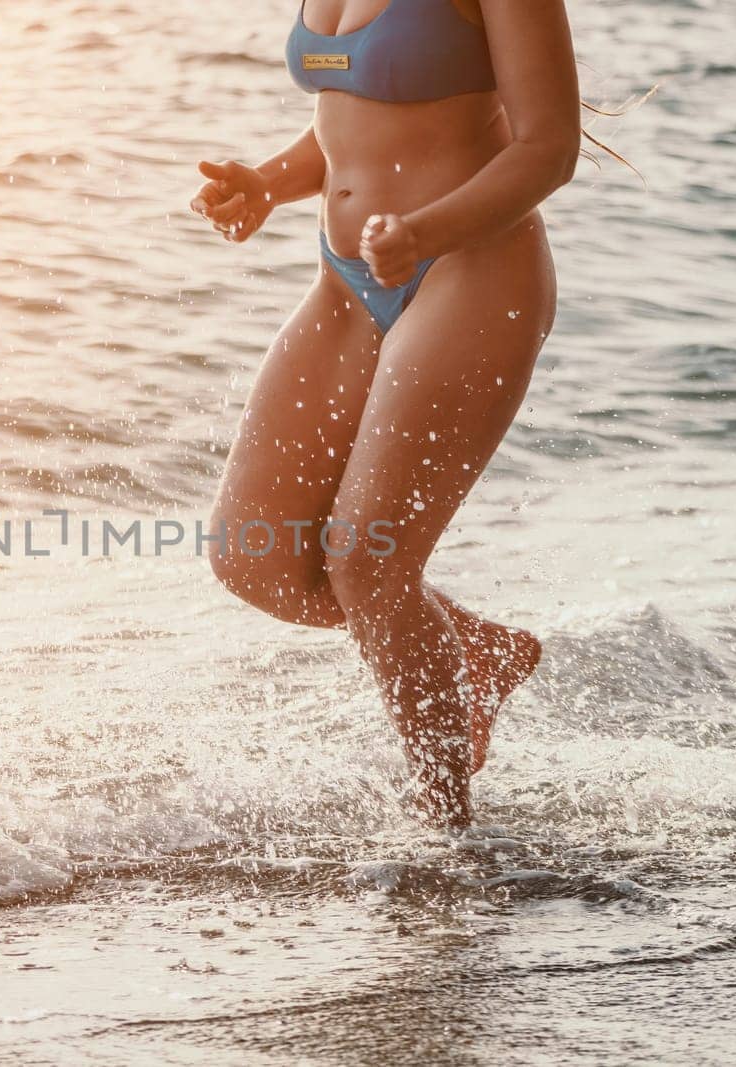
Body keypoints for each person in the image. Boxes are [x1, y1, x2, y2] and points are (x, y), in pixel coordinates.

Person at [191, 0, 585, 827]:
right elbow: (348, 126)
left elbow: (549, 148)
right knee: (249, 555)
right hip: (347, 275)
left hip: (472, 265)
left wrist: (423, 232)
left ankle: (443, 833)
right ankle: (468, 647)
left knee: (368, 565)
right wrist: (267, 183)